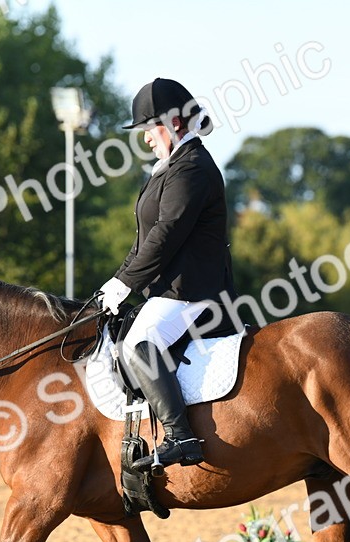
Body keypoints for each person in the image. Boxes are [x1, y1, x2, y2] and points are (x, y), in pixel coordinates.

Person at [98, 77, 236, 472]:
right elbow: (145, 239)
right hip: (172, 290)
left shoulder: (191, 168)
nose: (144, 139)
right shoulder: (170, 168)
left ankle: (182, 437)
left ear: (174, 122)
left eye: (148, 128)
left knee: (141, 342)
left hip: (194, 293)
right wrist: (116, 281)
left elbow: (167, 233)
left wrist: (127, 284)